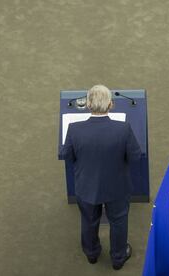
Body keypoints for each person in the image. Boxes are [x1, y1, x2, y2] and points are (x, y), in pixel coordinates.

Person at [60, 84, 142, 270]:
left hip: (86, 187)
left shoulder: (74, 129)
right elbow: (135, 157)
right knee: (119, 221)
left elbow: (67, 156)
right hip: (117, 187)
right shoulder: (123, 129)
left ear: (88, 104)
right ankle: (118, 258)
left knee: (89, 220)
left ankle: (91, 254)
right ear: (111, 104)